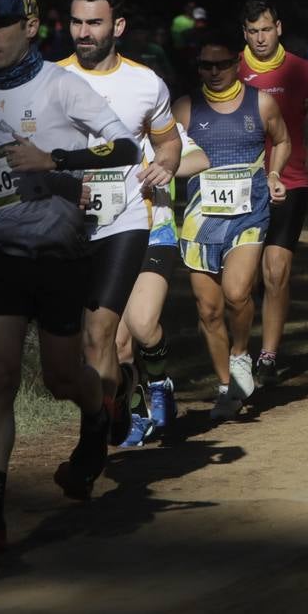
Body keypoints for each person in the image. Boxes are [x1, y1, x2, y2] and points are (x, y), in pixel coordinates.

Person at [0, 0, 140, 550]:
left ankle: (100, 406)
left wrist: (54, 159)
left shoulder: (64, 87)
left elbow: (126, 148)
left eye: (3, 24)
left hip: (60, 254)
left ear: (31, 27)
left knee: (62, 379)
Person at [58, 0, 184, 447]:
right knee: (91, 344)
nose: (83, 32)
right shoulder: (51, 79)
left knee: (118, 333)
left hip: (133, 224)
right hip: (72, 230)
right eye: (76, 22)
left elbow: (168, 141)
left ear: (118, 26)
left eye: (94, 22)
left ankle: (115, 419)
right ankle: (122, 402)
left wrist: (166, 165)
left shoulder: (145, 83)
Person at [175, 30, 291, 418]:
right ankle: (226, 386)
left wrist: (274, 174)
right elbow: (164, 152)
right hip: (199, 218)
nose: (213, 71)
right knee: (207, 309)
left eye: (221, 64)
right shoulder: (186, 109)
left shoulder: (261, 104)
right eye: (205, 65)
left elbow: (284, 141)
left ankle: (241, 353)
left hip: (249, 212)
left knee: (237, 292)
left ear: (236, 64)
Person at [238, 0, 308, 385]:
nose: (260, 38)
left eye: (266, 30)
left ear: (278, 28)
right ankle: (238, 353)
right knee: (243, 280)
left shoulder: (301, 70)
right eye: (253, 32)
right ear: (244, 34)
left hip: (290, 182)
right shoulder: (232, 70)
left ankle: (268, 356)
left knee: (276, 271)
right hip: (241, 185)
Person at [115, 124, 210, 446]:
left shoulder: (158, 129)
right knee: (117, 345)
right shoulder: (82, 130)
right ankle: (136, 412)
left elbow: (200, 159)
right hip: (103, 242)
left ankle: (159, 381)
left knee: (142, 324)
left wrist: (166, 166)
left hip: (155, 235)